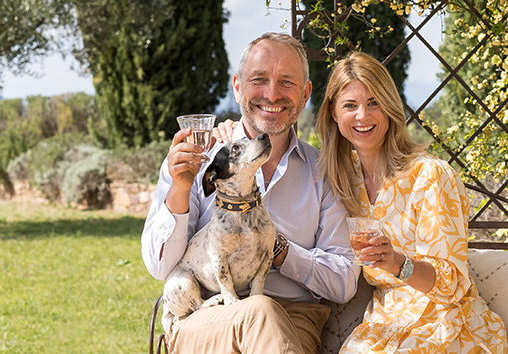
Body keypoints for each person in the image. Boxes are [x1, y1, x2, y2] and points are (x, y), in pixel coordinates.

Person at [141, 32, 360, 354]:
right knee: (259, 310)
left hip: (293, 318)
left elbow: (343, 283)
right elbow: (160, 267)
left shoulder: (323, 171)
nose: (272, 94)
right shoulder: (196, 160)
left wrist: (277, 248)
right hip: (204, 320)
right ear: (238, 86)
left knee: (263, 311)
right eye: (259, 79)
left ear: (305, 93)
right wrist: (180, 189)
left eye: (287, 82)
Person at [315, 52, 508, 353]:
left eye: (374, 103)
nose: (363, 116)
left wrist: (398, 263)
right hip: (384, 326)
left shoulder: (431, 176)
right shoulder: (341, 181)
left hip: (446, 324)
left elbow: (451, 285)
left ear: (391, 108)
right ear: (333, 113)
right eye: (350, 105)